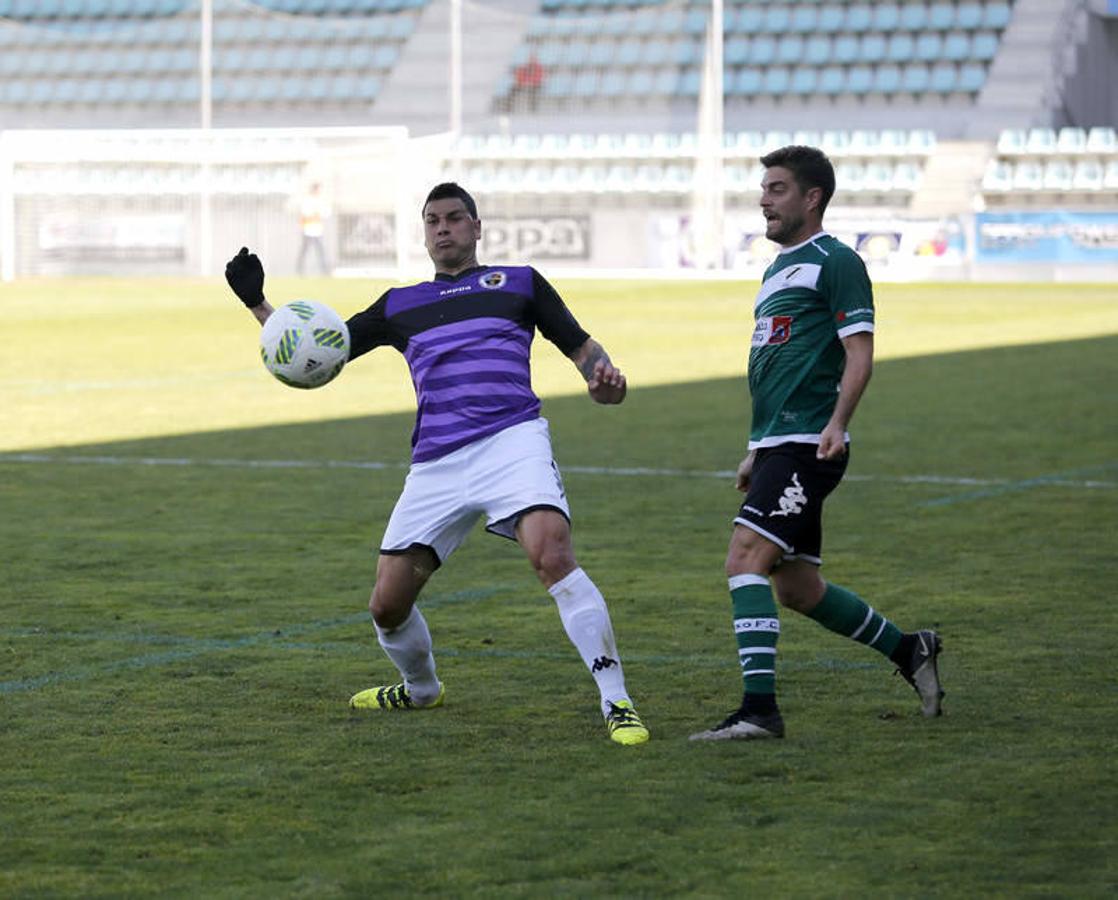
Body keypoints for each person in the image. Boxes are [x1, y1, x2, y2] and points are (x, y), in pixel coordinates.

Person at [225, 182, 649, 746]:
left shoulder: (519, 282)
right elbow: (318, 352)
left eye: (454, 218)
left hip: (511, 442)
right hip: (436, 462)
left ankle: (616, 700)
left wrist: (605, 382)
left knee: (552, 554)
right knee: (387, 604)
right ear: (424, 234)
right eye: (432, 221)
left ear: (477, 228)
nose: (443, 228)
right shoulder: (400, 303)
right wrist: (260, 306)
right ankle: (420, 688)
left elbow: (584, 352)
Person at [690, 146, 944, 742]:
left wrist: (837, 421)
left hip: (811, 445)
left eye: (777, 189)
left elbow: (860, 353)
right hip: (780, 445)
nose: (763, 199)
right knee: (797, 588)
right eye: (763, 189)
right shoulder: (775, 268)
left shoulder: (838, 262)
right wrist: (756, 446)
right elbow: (776, 364)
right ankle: (911, 651)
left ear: (812, 197)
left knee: (743, 559)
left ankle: (759, 711)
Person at [296, 181, 330, 276]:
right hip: (308, 231)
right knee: (304, 251)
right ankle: (300, 270)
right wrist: (315, 216)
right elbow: (305, 216)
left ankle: (325, 271)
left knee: (321, 252)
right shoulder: (307, 200)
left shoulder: (321, 201)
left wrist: (317, 215)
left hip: (318, 231)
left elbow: (326, 213)